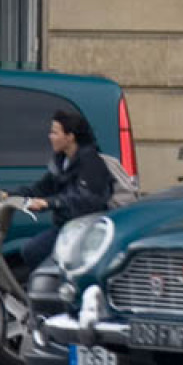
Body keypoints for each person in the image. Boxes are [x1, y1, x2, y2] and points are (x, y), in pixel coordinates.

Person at [11, 110, 113, 273]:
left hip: (86, 230)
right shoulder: (62, 162)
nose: (50, 136)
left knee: (35, 251)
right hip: (66, 227)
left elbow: (86, 200)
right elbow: (41, 188)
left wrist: (50, 203)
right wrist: (11, 195)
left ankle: (60, 292)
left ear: (70, 137)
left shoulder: (92, 163)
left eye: (55, 132)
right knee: (31, 251)